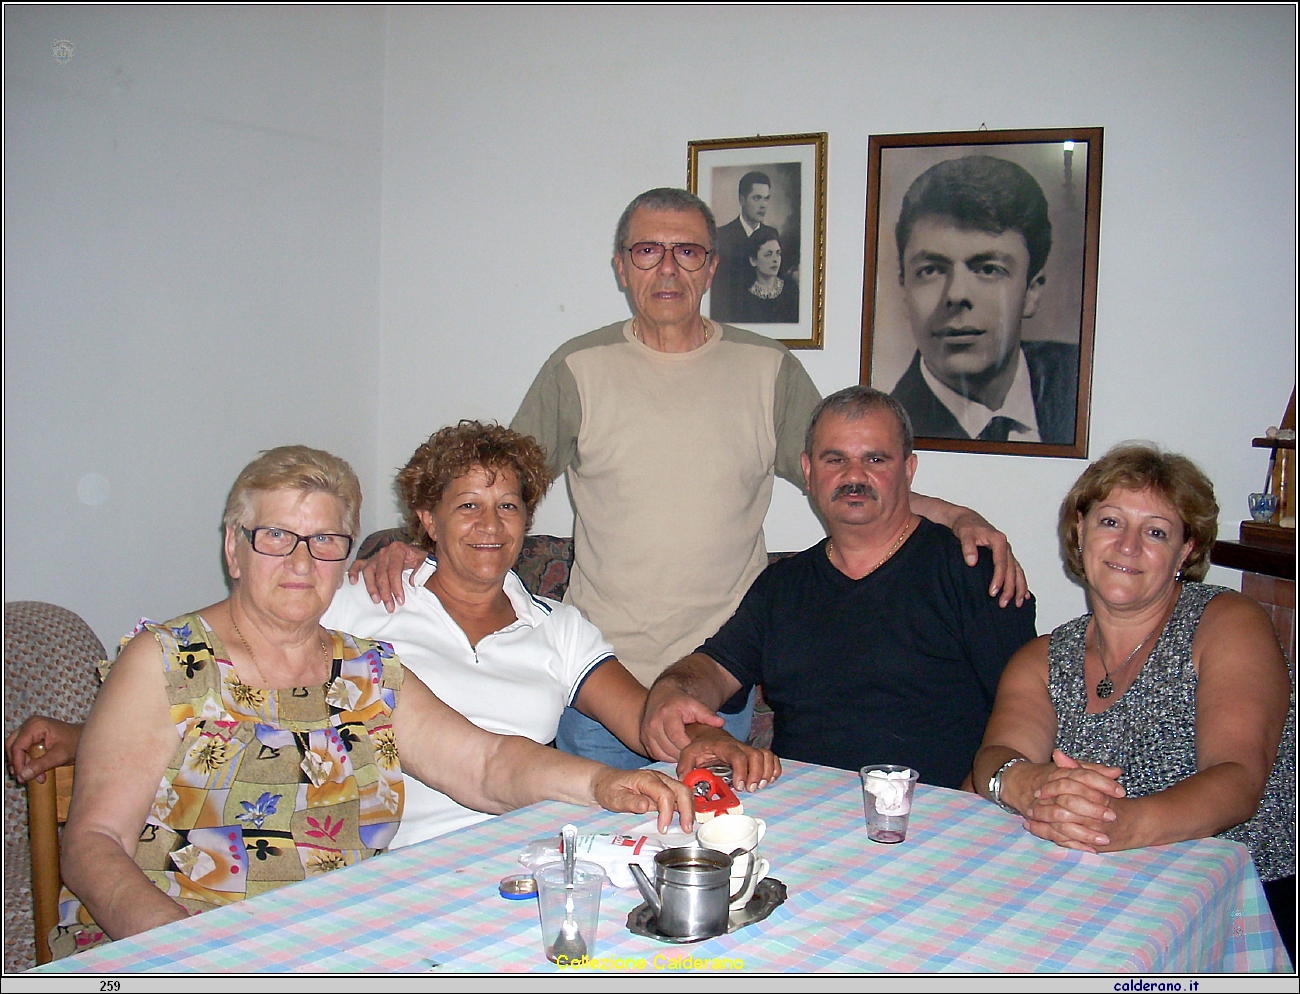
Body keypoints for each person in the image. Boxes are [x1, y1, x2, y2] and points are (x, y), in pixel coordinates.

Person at [357, 188, 1028, 772]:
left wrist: (956, 517)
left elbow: (848, 477)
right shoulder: (578, 367)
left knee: (710, 856)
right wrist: (414, 545)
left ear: (712, 265)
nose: (668, 268)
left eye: (688, 252)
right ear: (622, 266)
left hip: (717, 690)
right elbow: (494, 489)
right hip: (597, 680)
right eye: (648, 251)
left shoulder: (767, 369)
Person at [26, 446, 693, 958]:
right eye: (276, 537)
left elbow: (489, 765)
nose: (300, 561)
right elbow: (92, 842)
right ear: (234, 548)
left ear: (347, 555)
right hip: (173, 944)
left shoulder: (367, 669)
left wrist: (607, 783)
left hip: (336, 942)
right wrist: (187, 953)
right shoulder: (166, 659)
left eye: (323, 542)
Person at [8, 430, 773, 853]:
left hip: (503, 850)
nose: (490, 524)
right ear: (427, 521)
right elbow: (232, 676)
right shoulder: (364, 600)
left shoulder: (554, 627)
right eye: (466, 504)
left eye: (508, 506)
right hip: (372, 855)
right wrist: (89, 735)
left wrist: (696, 743)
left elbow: (619, 729)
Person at [970, 443, 1295, 957]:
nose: (1128, 546)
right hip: (1098, 896)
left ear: (1186, 551)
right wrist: (1026, 780)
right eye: (1111, 522)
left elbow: (1238, 778)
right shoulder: (1042, 657)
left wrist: (1119, 825)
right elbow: (993, 757)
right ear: (1081, 531)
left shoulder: (1228, 622)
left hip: (1241, 905)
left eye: (1156, 532)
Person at [639, 386, 1038, 789]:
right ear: (809, 471)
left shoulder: (972, 570)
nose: (854, 476)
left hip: (934, 820)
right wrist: (673, 689)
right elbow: (711, 668)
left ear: (909, 469)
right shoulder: (783, 585)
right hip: (802, 815)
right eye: (836, 459)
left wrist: (975, 799)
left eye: (875, 459)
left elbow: (1030, 712)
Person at [889, 155, 1079, 444]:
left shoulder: (1081, 383)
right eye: (931, 270)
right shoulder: (886, 430)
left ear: (1032, 291)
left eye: (988, 269)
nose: (956, 294)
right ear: (904, 290)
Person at [711, 170, 779, 322]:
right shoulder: (721, 235)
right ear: (742, 200)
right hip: (730, 316)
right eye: (757, 198)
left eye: (766, 199)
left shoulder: (772, 234)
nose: (763, 205)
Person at [736, 230, 799, 325]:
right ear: (753, 260)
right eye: (768, 254)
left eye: (778, 253)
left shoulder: (791, 288)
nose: (775, 260)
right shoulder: (742, 296)